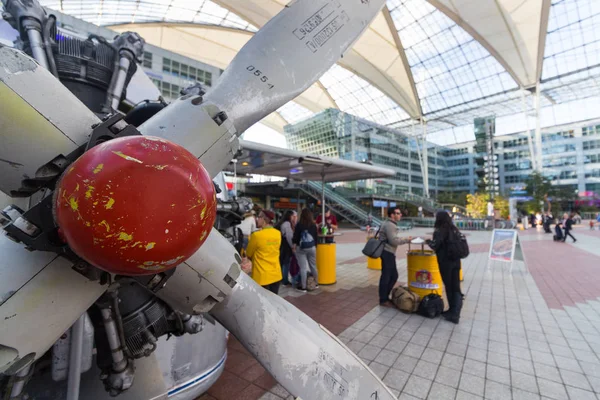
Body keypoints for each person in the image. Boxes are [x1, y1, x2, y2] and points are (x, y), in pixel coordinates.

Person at [426, 211, 463, 324]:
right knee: (456, 287)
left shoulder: (439, 231)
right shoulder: (454, 229)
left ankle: (453, 313)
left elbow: (435, 245)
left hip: (445, 262)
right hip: (456, 261)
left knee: (449, 286)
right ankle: (455, 311)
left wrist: (428, 241)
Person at [378, 207, 412, 306]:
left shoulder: (389, 224)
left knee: (392, 276)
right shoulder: (390, 225)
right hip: (387, 252)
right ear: (392, 215)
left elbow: (392, 238)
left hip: (387, 252)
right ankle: (383, 299)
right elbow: (394, 241)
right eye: (398, 213)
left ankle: (385, 297)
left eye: (400, 213)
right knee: (387, 276)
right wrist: (406, 240)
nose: (400, 215)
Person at [246, 210, 283, 294]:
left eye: (259, 217)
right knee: (273, 302)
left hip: (262, 277)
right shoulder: (278, 233)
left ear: (264, 219)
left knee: (261, 303)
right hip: (276, 275)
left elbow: (248, 254)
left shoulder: (256, 235)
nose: (257, 219)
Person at [292, 208, 319, 292]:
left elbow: (295, 238)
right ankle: (316, 283)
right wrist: (315, 246)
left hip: (302, 248)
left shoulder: (299, 225)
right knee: (313, 266)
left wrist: (294, 246)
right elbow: (315, 237)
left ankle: (303, 287)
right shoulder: (313, 225)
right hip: (312, 248)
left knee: (303, 268)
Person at [275, 210, 297, 286]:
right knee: (286, 263)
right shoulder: (287, 224)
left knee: (282, 262)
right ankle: (285, 280)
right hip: (286, 246)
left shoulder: (281, 222)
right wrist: (292, 247)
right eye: (293, 216)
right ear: (289, 216)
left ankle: (280, 279)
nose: (294, 218)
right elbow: (289, 237)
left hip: (280, 245)